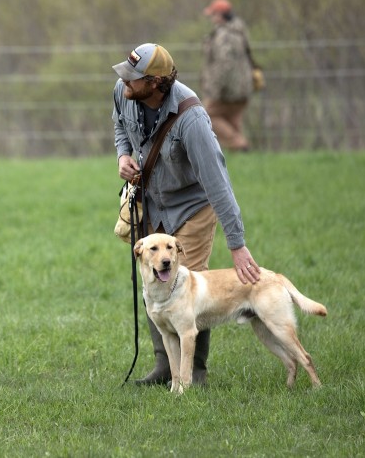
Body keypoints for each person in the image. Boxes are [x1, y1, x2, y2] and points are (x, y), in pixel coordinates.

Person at [112, 43, 261, 387]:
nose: (123, 82)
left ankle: (195, 373)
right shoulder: (125, 92)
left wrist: (237, 245)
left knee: (187, 282)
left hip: (192, 205)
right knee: (153, 276)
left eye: (133, 78)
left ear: (155, 83)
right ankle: (165, 367)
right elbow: (120, 124)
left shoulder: (191, 118)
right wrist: (123, 155)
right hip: (151, 199)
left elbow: (218, 183)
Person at [201, 0, 255, 152]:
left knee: (206, 116)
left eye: (213, 15)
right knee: (233, 119)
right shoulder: (240, 31)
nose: (211, 19)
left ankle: (239, 144)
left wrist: (214, 90)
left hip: (227, 90)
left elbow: (224, 65)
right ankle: (244, 157)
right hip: (244, 87)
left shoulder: (223, 36)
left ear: (220, 15)